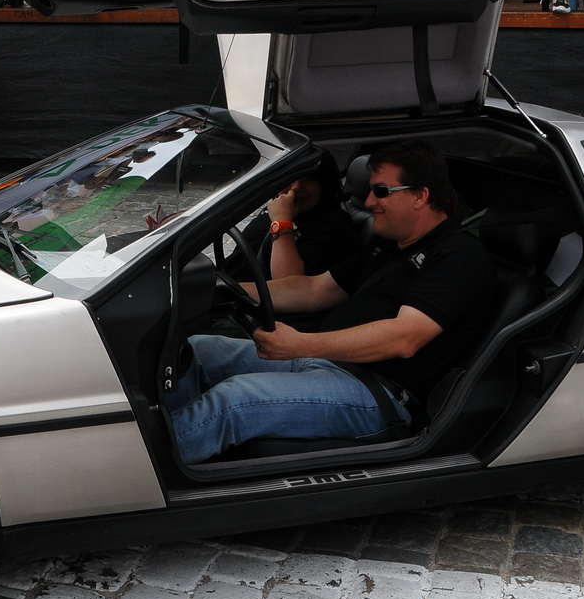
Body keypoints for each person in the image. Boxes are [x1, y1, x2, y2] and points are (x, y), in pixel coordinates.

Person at [166, 142, 495, 463]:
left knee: (235, 399)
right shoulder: (388, 244)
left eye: (381, 191)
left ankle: (140, 474)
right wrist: (215, 288)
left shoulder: (457, 256)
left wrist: (301, 344)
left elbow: (404, 338)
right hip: (324, 363)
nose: (368, 202)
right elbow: (314, 290)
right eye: (369, 190)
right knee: (194, 349)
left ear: (420, 195)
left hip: (375, 393)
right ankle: (181, 437)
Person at [242, 150, 360, 280]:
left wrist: (282, 223)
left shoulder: (333, 229)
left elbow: (289, 286)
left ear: (324, 185)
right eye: (290, 177)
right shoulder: (281, 206)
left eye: (309, 179)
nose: (296, 187)